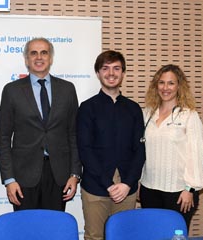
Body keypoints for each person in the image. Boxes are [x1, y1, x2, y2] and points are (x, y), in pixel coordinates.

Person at [0, 37, 81, 211]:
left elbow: (73, 134)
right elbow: (4, 138)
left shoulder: (67, 89)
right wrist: (9, 179)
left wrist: (75, 174)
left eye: (44, 52)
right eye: (33, 53)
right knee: (27, 231)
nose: (39, 57)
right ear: (26, 59)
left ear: (50, 58)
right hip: (23, 177)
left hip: (59, 175)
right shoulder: (12, 90)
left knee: (53, 230)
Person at [76, 50, 145, 240]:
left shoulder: (133, 109)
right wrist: (108, 184)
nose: (111, 73)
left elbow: (139, 150)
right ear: (98, 73)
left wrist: (127, 184)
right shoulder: (87, 108)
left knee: (123, 236)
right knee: (94, 236)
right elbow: (85, 150)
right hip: (95, 187)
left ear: (123, 73)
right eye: (105, 68)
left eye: (116, 68)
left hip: (126, 189)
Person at [140, 64, 203, 229]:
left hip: (179, 192)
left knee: (174, 235)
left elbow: (196, 153)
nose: (165, 88)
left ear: (179, 86)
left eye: (171, 83)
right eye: (161, 83)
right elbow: (141, 151)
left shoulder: (189, 115)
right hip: (149, 189)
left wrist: (190, 189)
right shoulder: (147, 113)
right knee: (153, 234)